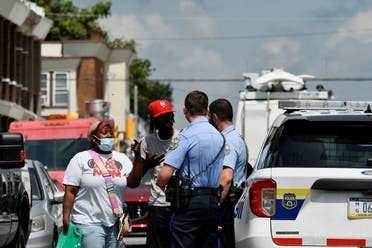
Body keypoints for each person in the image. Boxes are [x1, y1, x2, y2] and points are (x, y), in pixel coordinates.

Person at [157, 90, 225, 248]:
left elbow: (164, 175)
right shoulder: (220, 136)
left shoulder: (185, 136)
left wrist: (163, 187)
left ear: (184, 110)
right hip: (213, 201)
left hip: (189, 203)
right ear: (207, 110)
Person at [62, 120, 142, 248]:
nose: (110, 136)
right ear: (94, 138)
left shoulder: (121, 158)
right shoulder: (81, 159)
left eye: (111, 133)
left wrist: (137, 156)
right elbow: (70, 190)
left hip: (114, 225)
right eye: (105, 133)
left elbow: (133, 183)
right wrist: (66, 218)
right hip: (88, 223)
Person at [209, 98, 249, 248]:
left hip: (227, 203)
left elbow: (226, 178)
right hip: (234, 201)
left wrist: (215, 206)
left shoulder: (228, 141)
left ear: (215, 117)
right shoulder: (237, 137)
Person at [140, 99, 178, 248]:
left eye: (168, 115)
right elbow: (137, 176)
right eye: (162, 117)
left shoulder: (183, 137)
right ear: (154, 120)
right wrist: (146, 164)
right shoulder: (147, 142)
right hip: (157, 205)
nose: (167, 120)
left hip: (179, 204)